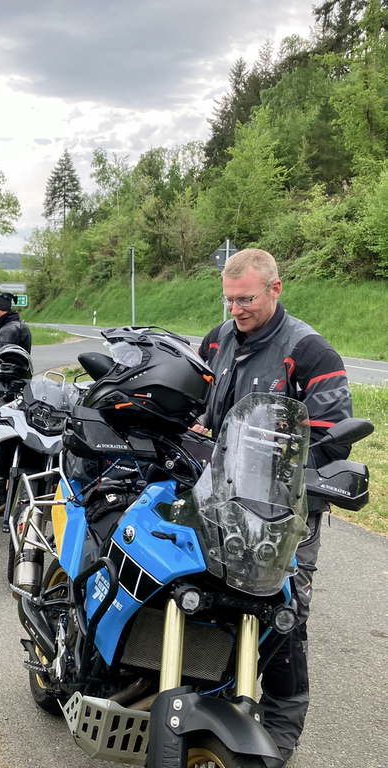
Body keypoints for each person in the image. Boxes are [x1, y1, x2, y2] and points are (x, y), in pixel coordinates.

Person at [191, 248, 352, 763]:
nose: (236, 309)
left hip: (284, 515)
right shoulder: (217, 340)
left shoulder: (309, 351)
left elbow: (332, 436)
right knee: (203, 596)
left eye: (246, 300)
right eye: (229, 299)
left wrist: (284, 470)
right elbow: (199, 404)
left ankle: (280, 731)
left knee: (285, 615)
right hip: (218, 501)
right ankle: (201, 689)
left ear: (275, 289)